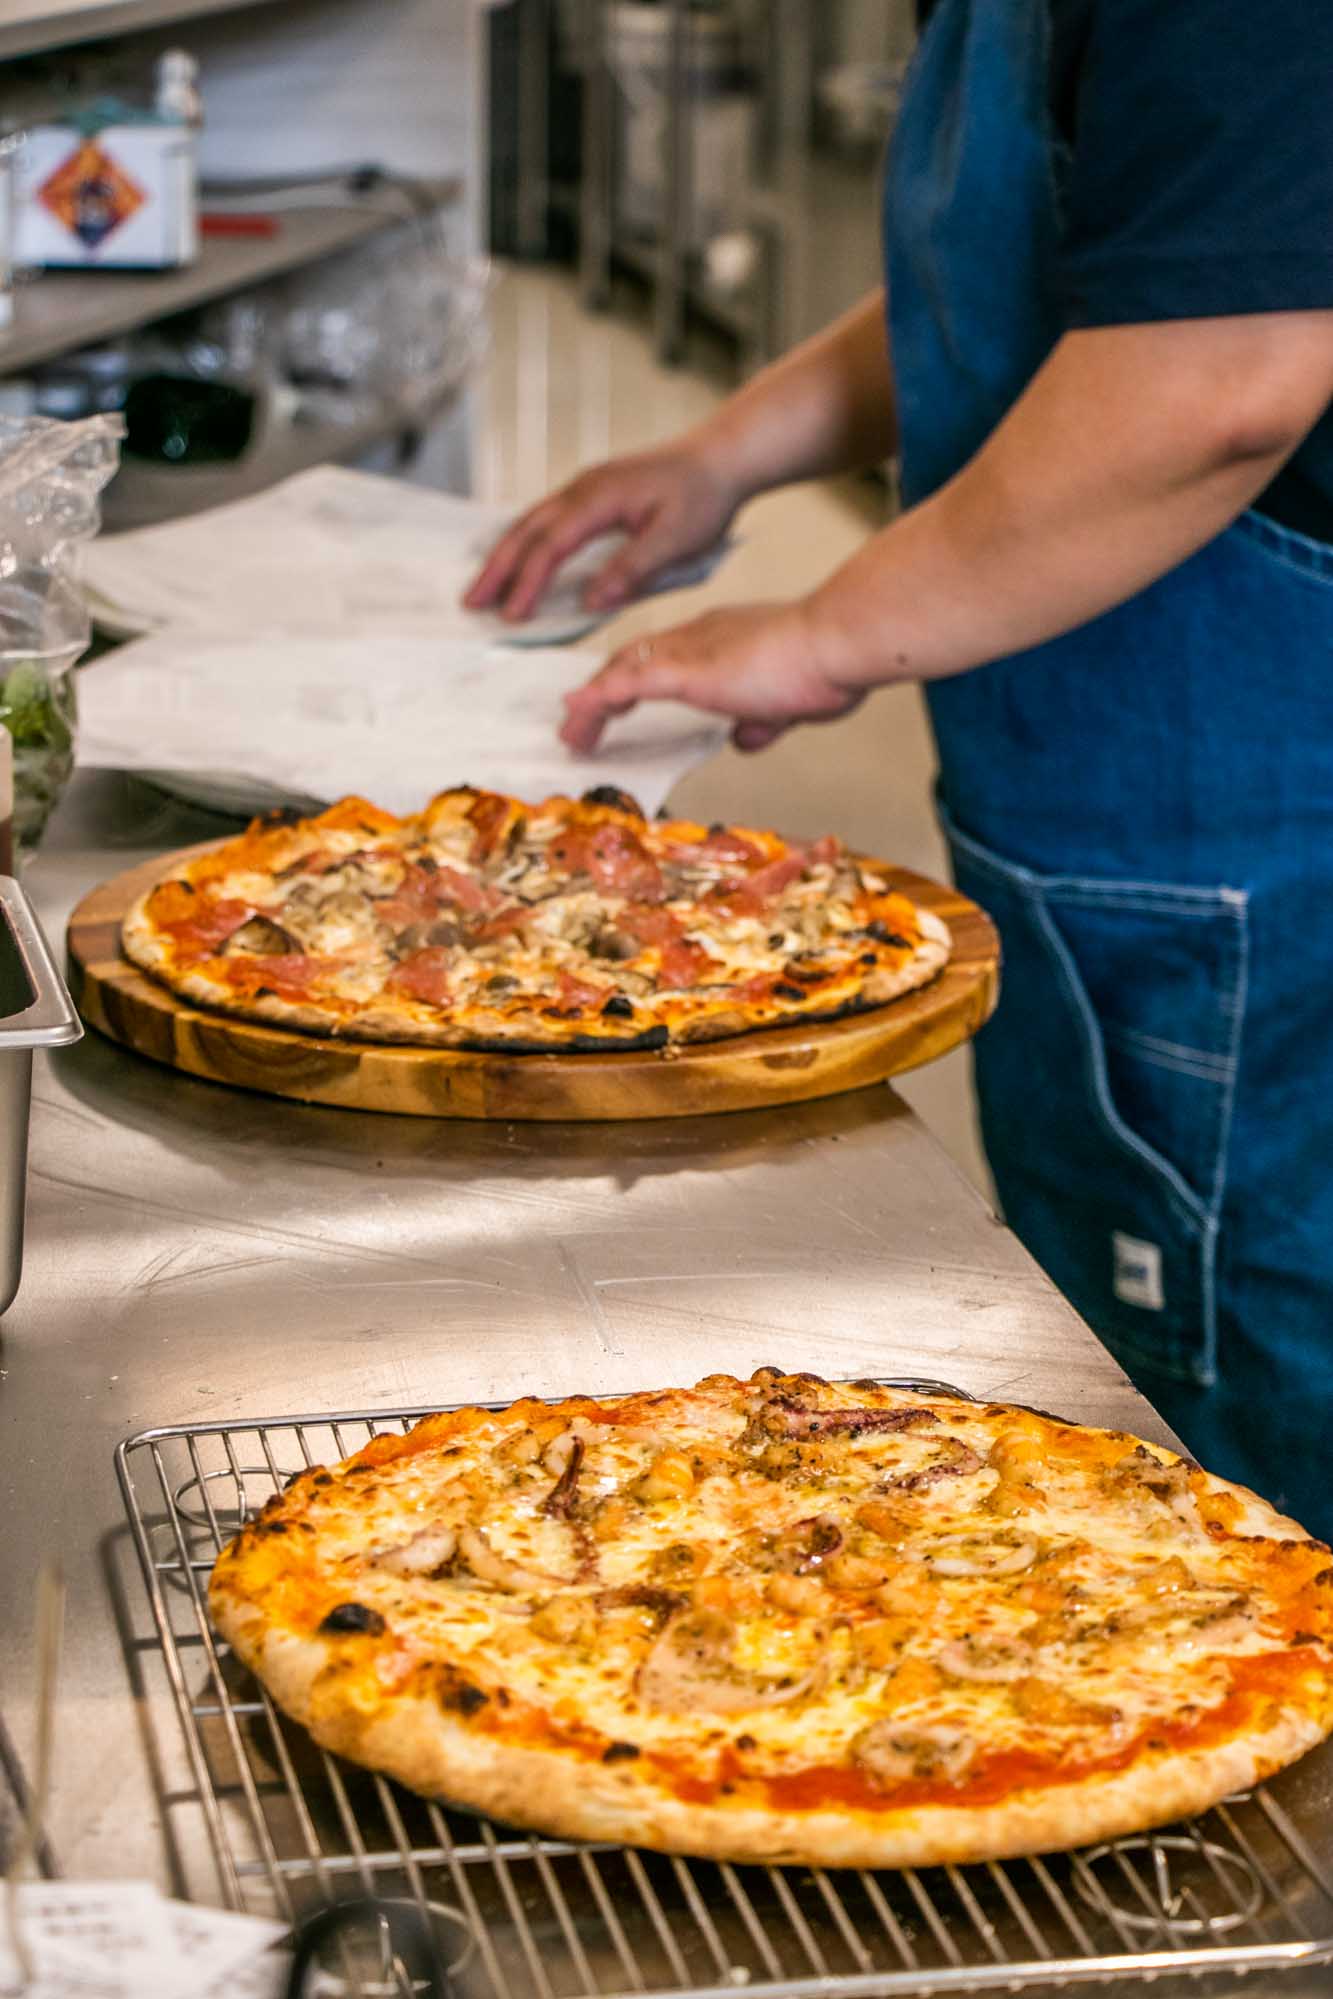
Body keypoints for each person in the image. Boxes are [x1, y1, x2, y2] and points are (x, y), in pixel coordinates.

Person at [467, 0, 1333, 1535]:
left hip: (1257, 820)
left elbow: (1214, 379)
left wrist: (818, 633)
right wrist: (724, 455)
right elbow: (1068, 271)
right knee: (1126, 1343)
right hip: (1103, 806)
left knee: (1243, 1422)